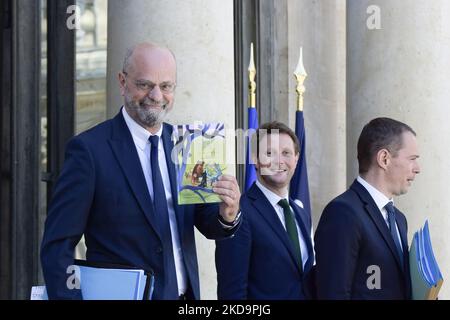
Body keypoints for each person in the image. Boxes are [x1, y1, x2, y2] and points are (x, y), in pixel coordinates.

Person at [40, 42, 241, 300]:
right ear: (122, 82)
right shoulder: (88, 151)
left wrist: (228, 213)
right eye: (145, 84)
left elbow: (208, 222)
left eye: (166, 86)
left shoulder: (191, 144)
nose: (156, 96)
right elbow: (57, 247)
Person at [314, 117, 420, 299]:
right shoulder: (342, 213)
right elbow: (333, 293)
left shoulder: (399, 219)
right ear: (384, 158)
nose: (417, 168)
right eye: (412, 159)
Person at [215, 121, 315, 299]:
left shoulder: (301, 214)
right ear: (255, 158)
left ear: (296, 158)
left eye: (286, 153)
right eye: (269, 153)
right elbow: (232, 292)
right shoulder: (238, 213)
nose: (279, 161)